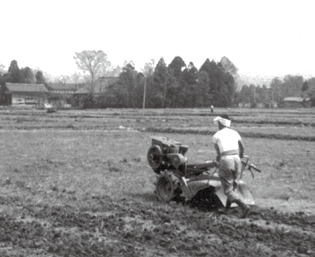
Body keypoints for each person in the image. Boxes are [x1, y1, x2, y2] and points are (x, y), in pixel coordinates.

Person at [212, 114, 250, 218]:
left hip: (226, 160)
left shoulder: (216, 135)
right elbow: (242, 148)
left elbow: (219, 154)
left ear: (220, 123)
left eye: (218, 123)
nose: (217, 125)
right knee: (233, 187)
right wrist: (240, 156)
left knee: (228, 190)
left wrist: (218, 162)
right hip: (237, 160)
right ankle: (227, 208)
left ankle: (244, 206)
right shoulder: (235, 133)